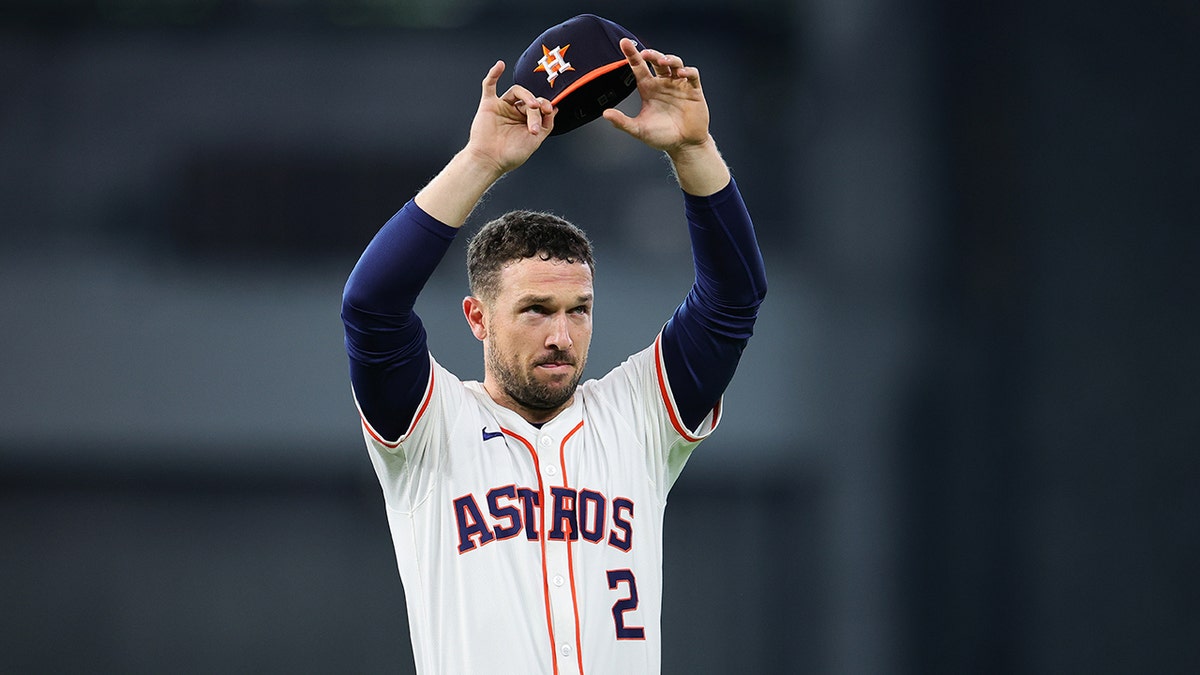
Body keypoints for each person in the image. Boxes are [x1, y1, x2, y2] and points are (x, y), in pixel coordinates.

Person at [341, 37, 767, 674]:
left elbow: (733, 299)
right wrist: (481, 159)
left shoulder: (637, 415)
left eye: (579, 310)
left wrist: (694, 150)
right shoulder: (428, 427)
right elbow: (371, 307)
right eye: (536, 310)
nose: (562, 337)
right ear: (478, 318)